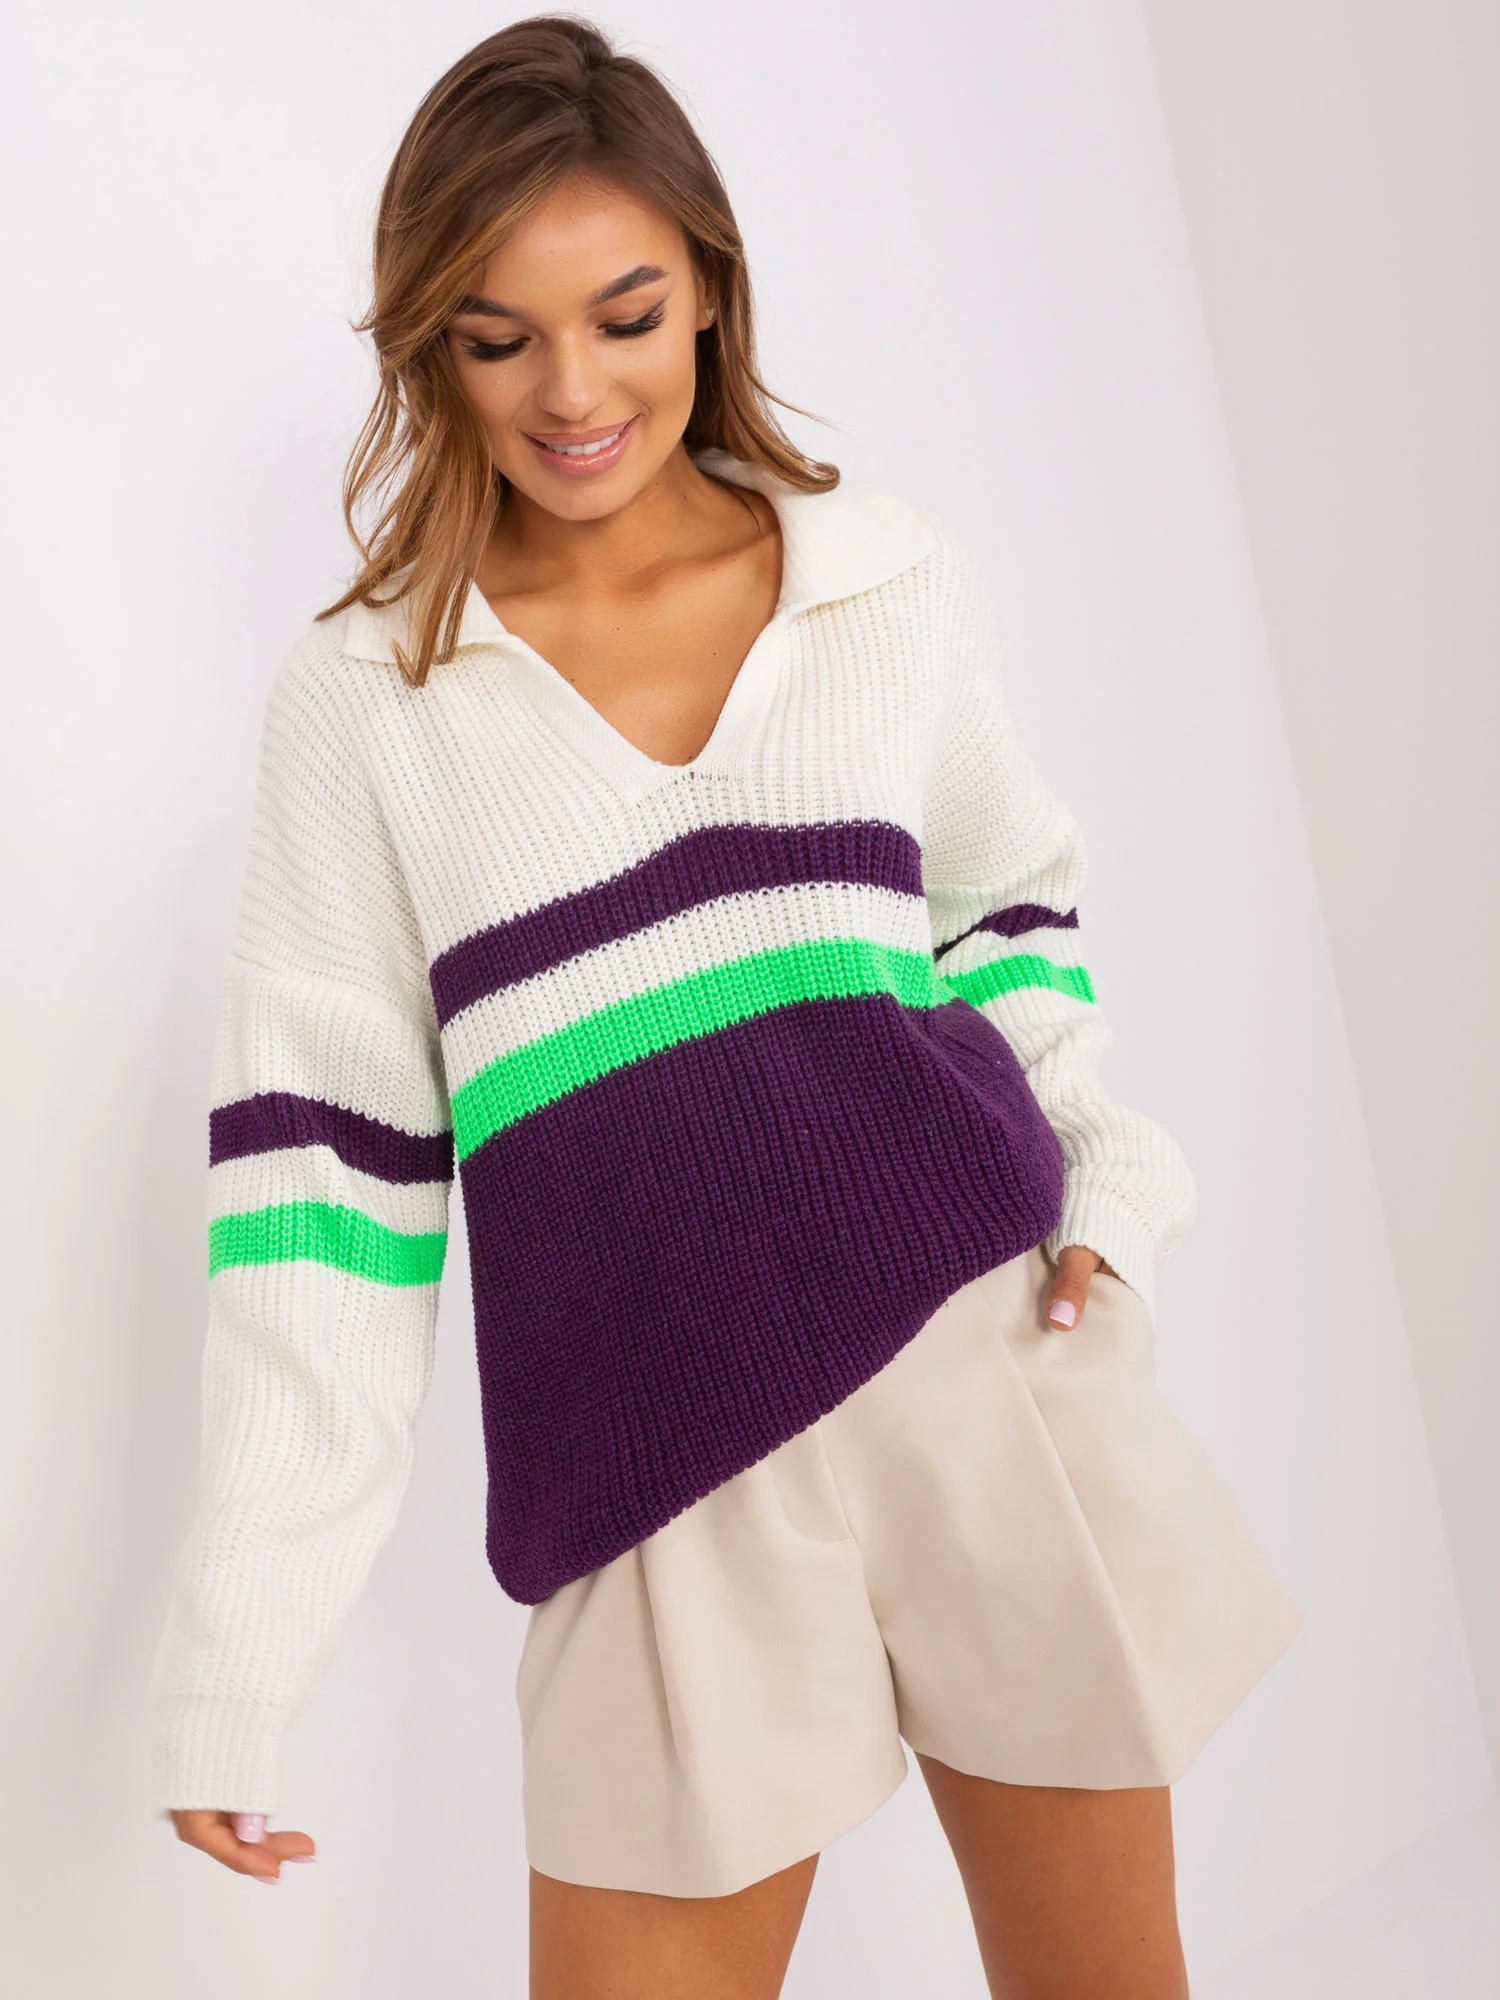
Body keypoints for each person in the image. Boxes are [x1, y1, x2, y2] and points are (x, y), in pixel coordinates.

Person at [147, 17, 1303, 1997]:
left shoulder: (880, 582)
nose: (573, 391)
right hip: (655, 1462)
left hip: (983, 1366)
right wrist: (241, 1651)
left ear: (707, 286)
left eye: (625, 315)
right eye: (499, 338)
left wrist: (1106, 1180)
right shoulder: (366, 703)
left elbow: (1003, 908)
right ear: (430, 346)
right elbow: (324, 1196)